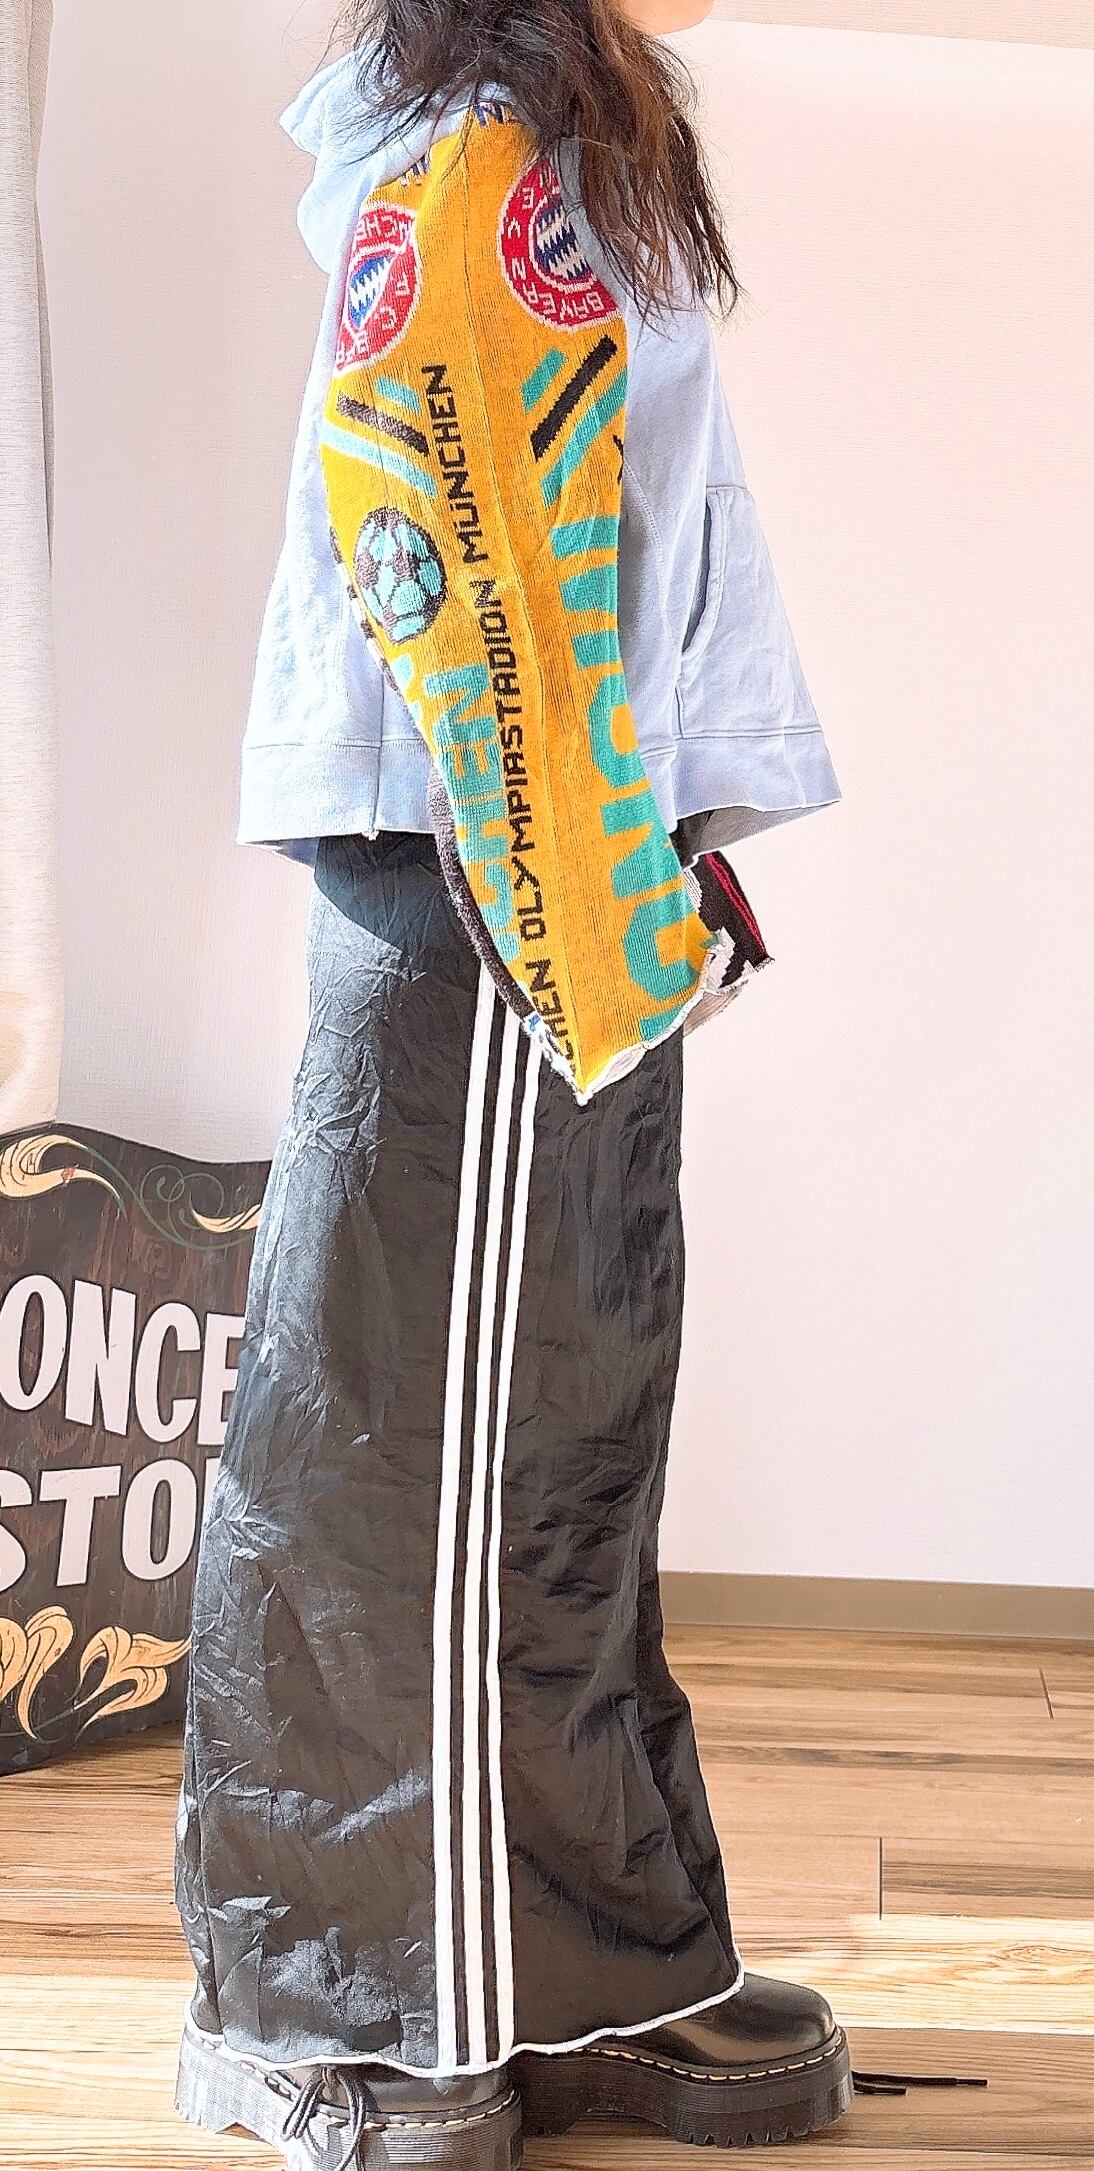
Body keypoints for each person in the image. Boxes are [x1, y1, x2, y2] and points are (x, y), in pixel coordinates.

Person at [173, 0, 848, 2162]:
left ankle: (577, 1964)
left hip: (564, 877)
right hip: (495, 877)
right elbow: (465, 578)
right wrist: (583, 882)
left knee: (557, 1442)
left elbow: (623, 541)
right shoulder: (472, 160)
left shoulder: (565, 146)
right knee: (413, 1458)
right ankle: (359, 2004)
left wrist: (664, 855)